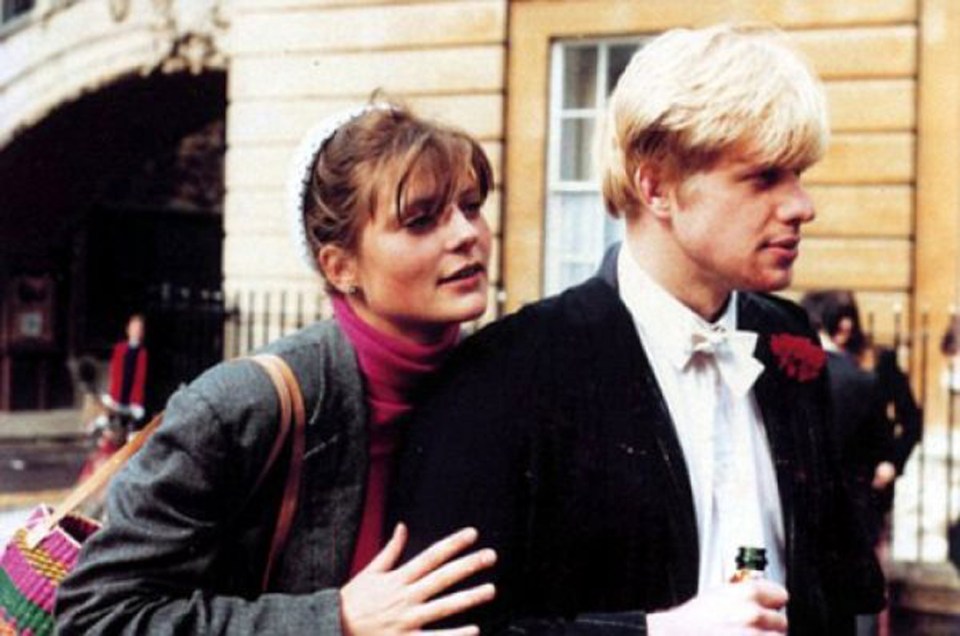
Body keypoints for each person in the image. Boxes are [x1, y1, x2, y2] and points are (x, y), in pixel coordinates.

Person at [392, 24, 885, 634]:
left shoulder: (789, 339)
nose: (801, 205)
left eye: (800, 175)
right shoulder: (508, 374)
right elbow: (448, 630)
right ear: (655, 186)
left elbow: (832, 584)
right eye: (764, 177)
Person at [56, 103, 499, 634]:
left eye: (471, 206)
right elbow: (93, 617)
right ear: (341, 266)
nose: (465, 234)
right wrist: (334, 620)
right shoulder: (242, 407)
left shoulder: (498, 376)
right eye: (421, 219)